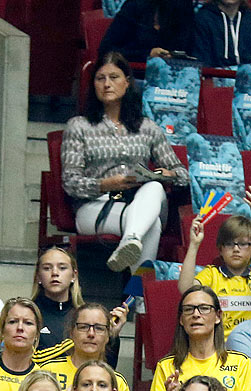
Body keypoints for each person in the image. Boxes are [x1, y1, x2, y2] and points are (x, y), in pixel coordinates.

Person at [63, 51, 189, 272]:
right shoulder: (79, 126)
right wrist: (105, 185)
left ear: (127, 83)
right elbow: (70, 182)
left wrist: (167, 175)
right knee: (152, 226)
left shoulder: (147, 127)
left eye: (114, 77)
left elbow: (183, 174)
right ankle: (138, 299)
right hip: (96, 206)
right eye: (100, 78)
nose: (107, 84)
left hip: (138, 201)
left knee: (153, 186)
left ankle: (131, 239)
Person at [178, 187, 251, 331]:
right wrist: (194, 244)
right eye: (229, 244)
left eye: (243, 244)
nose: (236, 249)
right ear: (220, 249)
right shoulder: (212, 274)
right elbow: (186, 289)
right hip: (219, 347)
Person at [38, 302, 133, 391]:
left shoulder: (117, 382)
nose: (91, 334)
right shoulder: (48, 371)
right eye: (83, 327)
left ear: (108, 336)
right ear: (72, 333)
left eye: (99, 328)